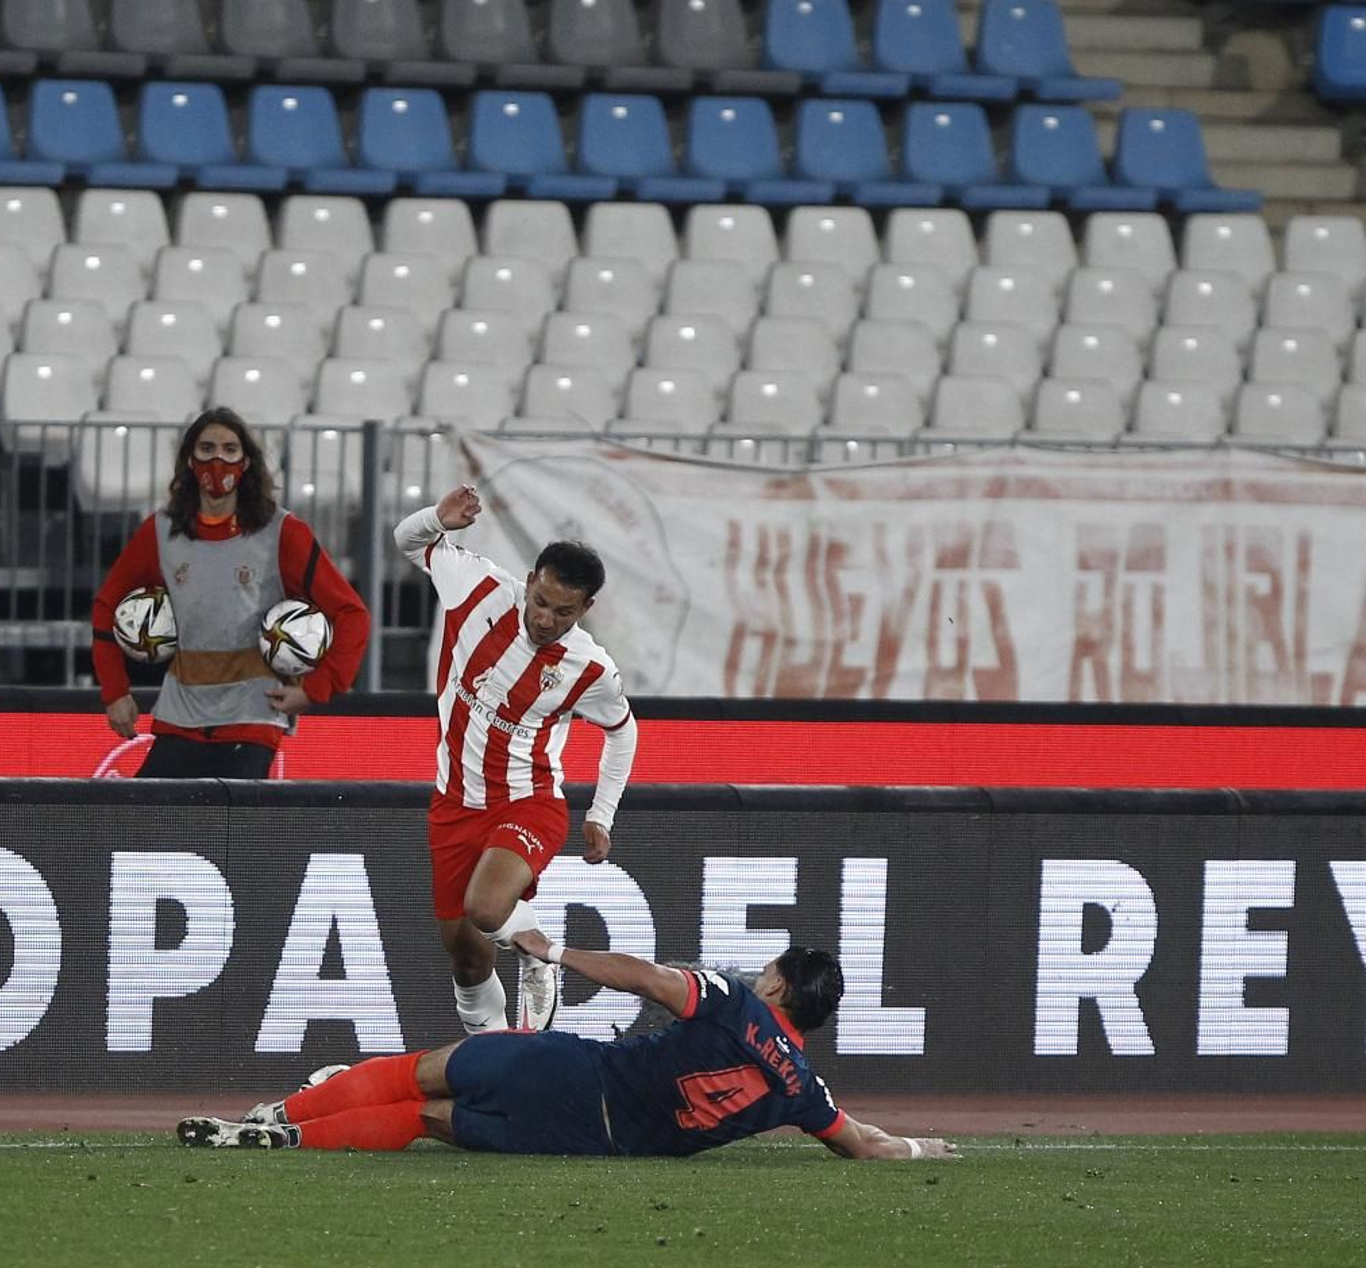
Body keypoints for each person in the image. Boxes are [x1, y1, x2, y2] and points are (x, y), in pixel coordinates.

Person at [176, 932, 959, 1162]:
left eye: (772, 967)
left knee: (412, 1072)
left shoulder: (735, 1004)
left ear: (783, 987)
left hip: (575, 1069)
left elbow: (647, 979)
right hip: (589, 1141)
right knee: (428, 1116)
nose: (761, 972)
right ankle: (283, 1139)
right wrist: (921, 1146)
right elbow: (861, 1144)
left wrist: (560, 956)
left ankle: (285, 1112)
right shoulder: (803, 1089)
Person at [391, 481, 639, 1035]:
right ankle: (495, 1054)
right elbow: (407, 541)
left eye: (564, 612)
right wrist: (438, 517)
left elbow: (623, 733)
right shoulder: (476, 588)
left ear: (586, 608)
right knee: (466, 955)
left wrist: (601, 814)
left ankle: (539, 956)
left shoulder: (590, 668)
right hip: (452, 804)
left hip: (527, 803)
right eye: (542, 602)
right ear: (529, 582)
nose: (547, 618)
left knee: (485, 909)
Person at [91, 408, 370, 778]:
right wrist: (115, 692)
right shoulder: (161, 531)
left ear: (247, 462)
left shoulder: (282, 532)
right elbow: (106, 606)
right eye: (206, 449)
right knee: (148, 832)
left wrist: (316, 689)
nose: (217, 460)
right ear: (190, 460)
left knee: (227, 834)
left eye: (229, 449)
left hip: (252, 717)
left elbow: (353, 615)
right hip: (180, 714)